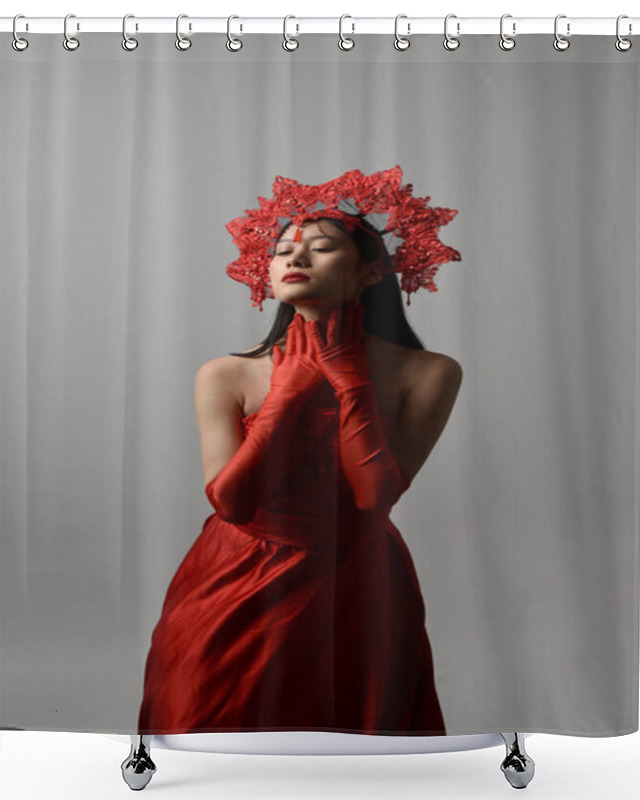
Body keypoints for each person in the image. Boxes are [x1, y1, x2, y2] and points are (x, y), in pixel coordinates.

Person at [136, 166, 462, 735]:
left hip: (358, 581)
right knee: (208, 720)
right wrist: (287, 394)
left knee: (361, 744)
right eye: (284, 248)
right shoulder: (226, 374)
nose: (296, 257)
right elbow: (231, 504)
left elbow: (373, 497)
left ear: (370, 272)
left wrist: (348, 380)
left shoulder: (428, 372)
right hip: (234, 578)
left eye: (322, 247)